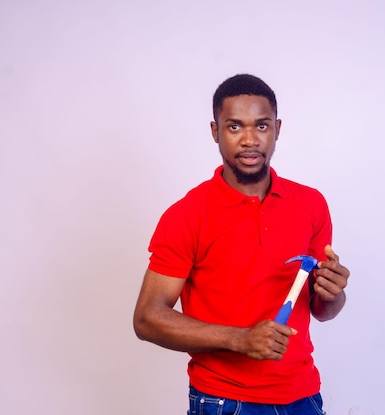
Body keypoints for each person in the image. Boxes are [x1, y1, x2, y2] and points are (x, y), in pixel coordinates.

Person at [133, 74, 350, 415]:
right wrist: (240, 339)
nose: (250, 140)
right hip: (224, 401)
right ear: (215, 131)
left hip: (304, 397)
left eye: (261, 126)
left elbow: (324, 311)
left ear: (277, 129)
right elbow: (147, 318)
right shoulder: (187, 215)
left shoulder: (311, 204)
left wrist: (333, 293)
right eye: (235, 127)